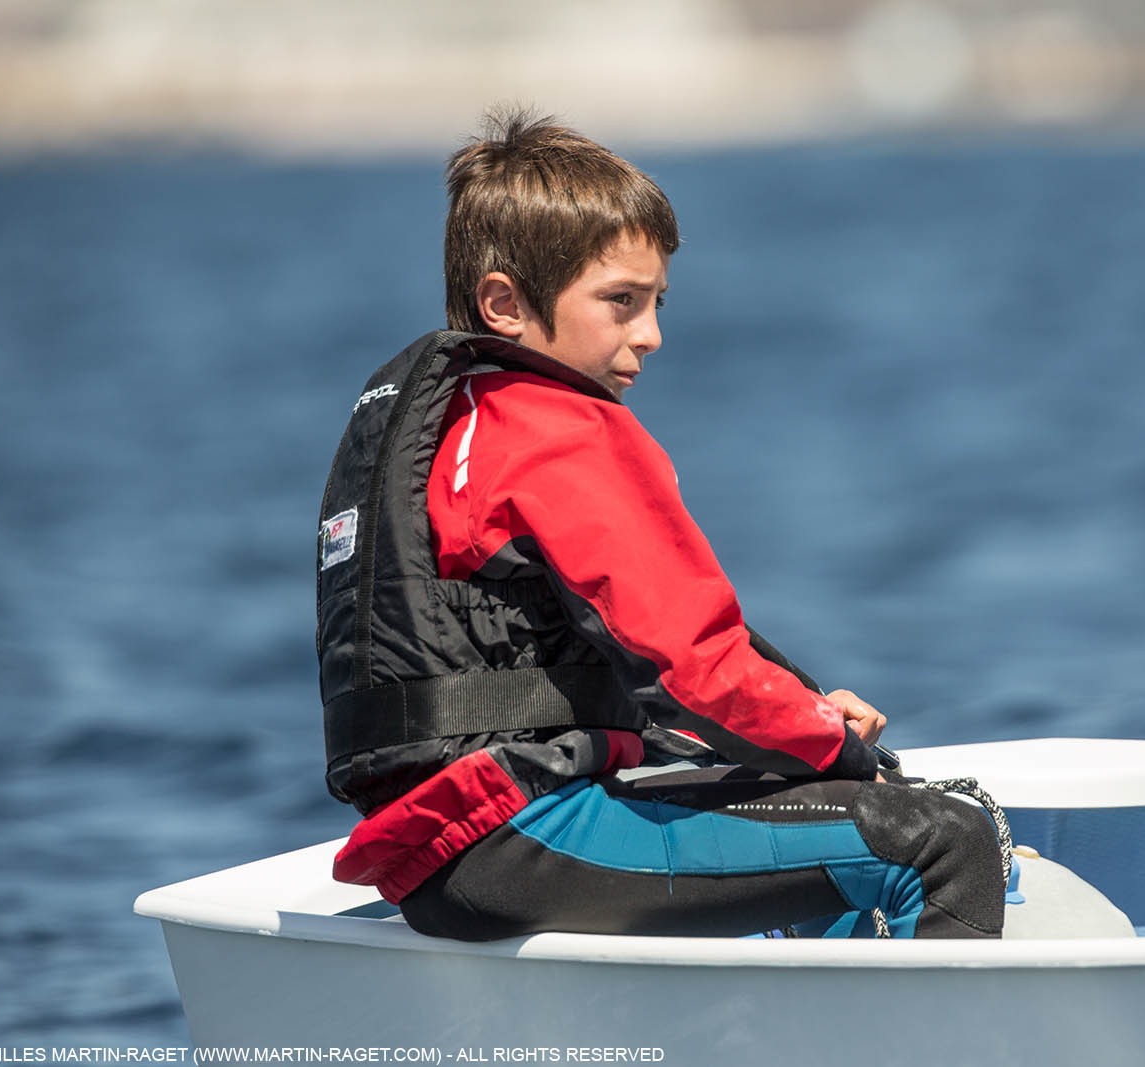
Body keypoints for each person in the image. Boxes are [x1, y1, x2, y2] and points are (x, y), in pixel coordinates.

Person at [317, 109, 1042, 941]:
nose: (652, 334)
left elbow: (567, 669)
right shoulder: (559, 430)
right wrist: (837, 747)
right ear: (506, 303)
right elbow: (695, 669)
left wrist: (799, 723)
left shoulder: (454, 425)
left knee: (793, 812)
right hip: (523, 834)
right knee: (940, 842)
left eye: (657, 301)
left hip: (445, 848)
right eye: (620, 302)